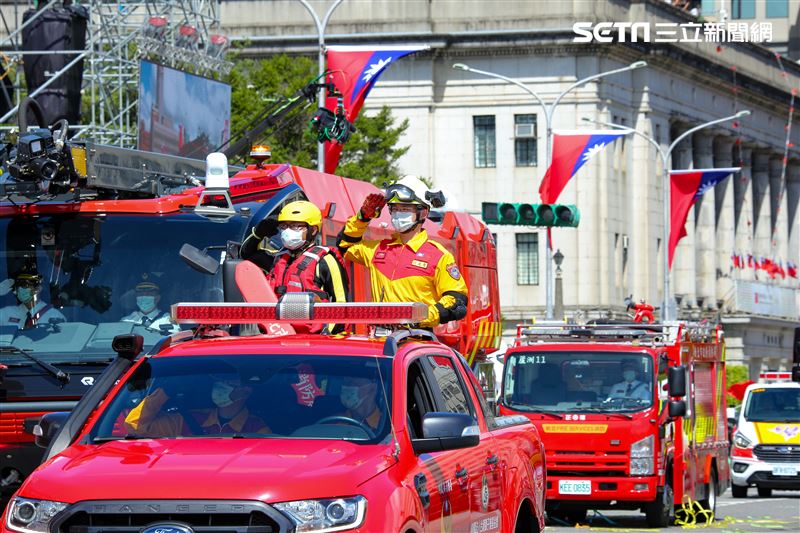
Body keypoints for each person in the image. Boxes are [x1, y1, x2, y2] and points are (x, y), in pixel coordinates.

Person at [336, 177, 468, 329]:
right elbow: (345, 246)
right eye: (395, 209)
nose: (398, 214)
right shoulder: (378, 249)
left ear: (423, 213)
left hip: (417, 338)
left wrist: (420, 317)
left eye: (405, 209)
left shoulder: (439, 256)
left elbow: (456, 300)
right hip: (380, 338)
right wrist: (362, 217)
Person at [241, 200, 349, 333]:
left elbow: (342, 304)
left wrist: (327, 335)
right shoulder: (278, 259)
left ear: (313, 230)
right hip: (277, 333)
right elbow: (247, 254)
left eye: (295, 226)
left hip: (313, 338)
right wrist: (258, 234)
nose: (287, 231)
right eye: (284, 226)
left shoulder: (326, 261)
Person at [124, 371, 270, 437]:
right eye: (219, 382)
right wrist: (165, 391)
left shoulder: (257, 429)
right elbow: (134, 426)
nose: (220, 386)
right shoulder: (188, 419)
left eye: (228, 383)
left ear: (246, 391)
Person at [0, 271, 65, 329]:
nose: (20, 289)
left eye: (24, 285)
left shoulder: (55, 316)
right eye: (17, 286)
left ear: (38, 289)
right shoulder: (5, 314)